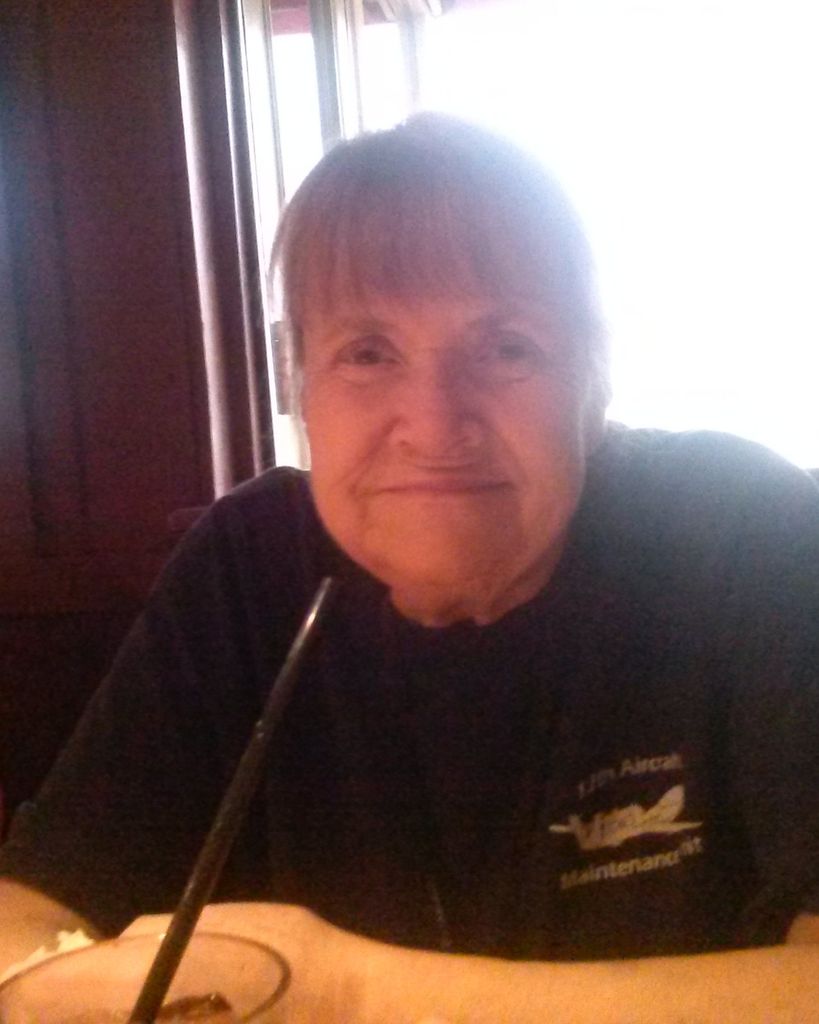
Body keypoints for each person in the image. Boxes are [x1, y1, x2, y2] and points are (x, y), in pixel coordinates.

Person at [1, 114, 819, 1022]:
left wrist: (347, 992)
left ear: (594, 379)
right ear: (299, 386)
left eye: (507, 348)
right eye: (367, 353)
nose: (432, 426)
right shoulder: (245, 568)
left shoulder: (747, 532)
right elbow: (35, 906)